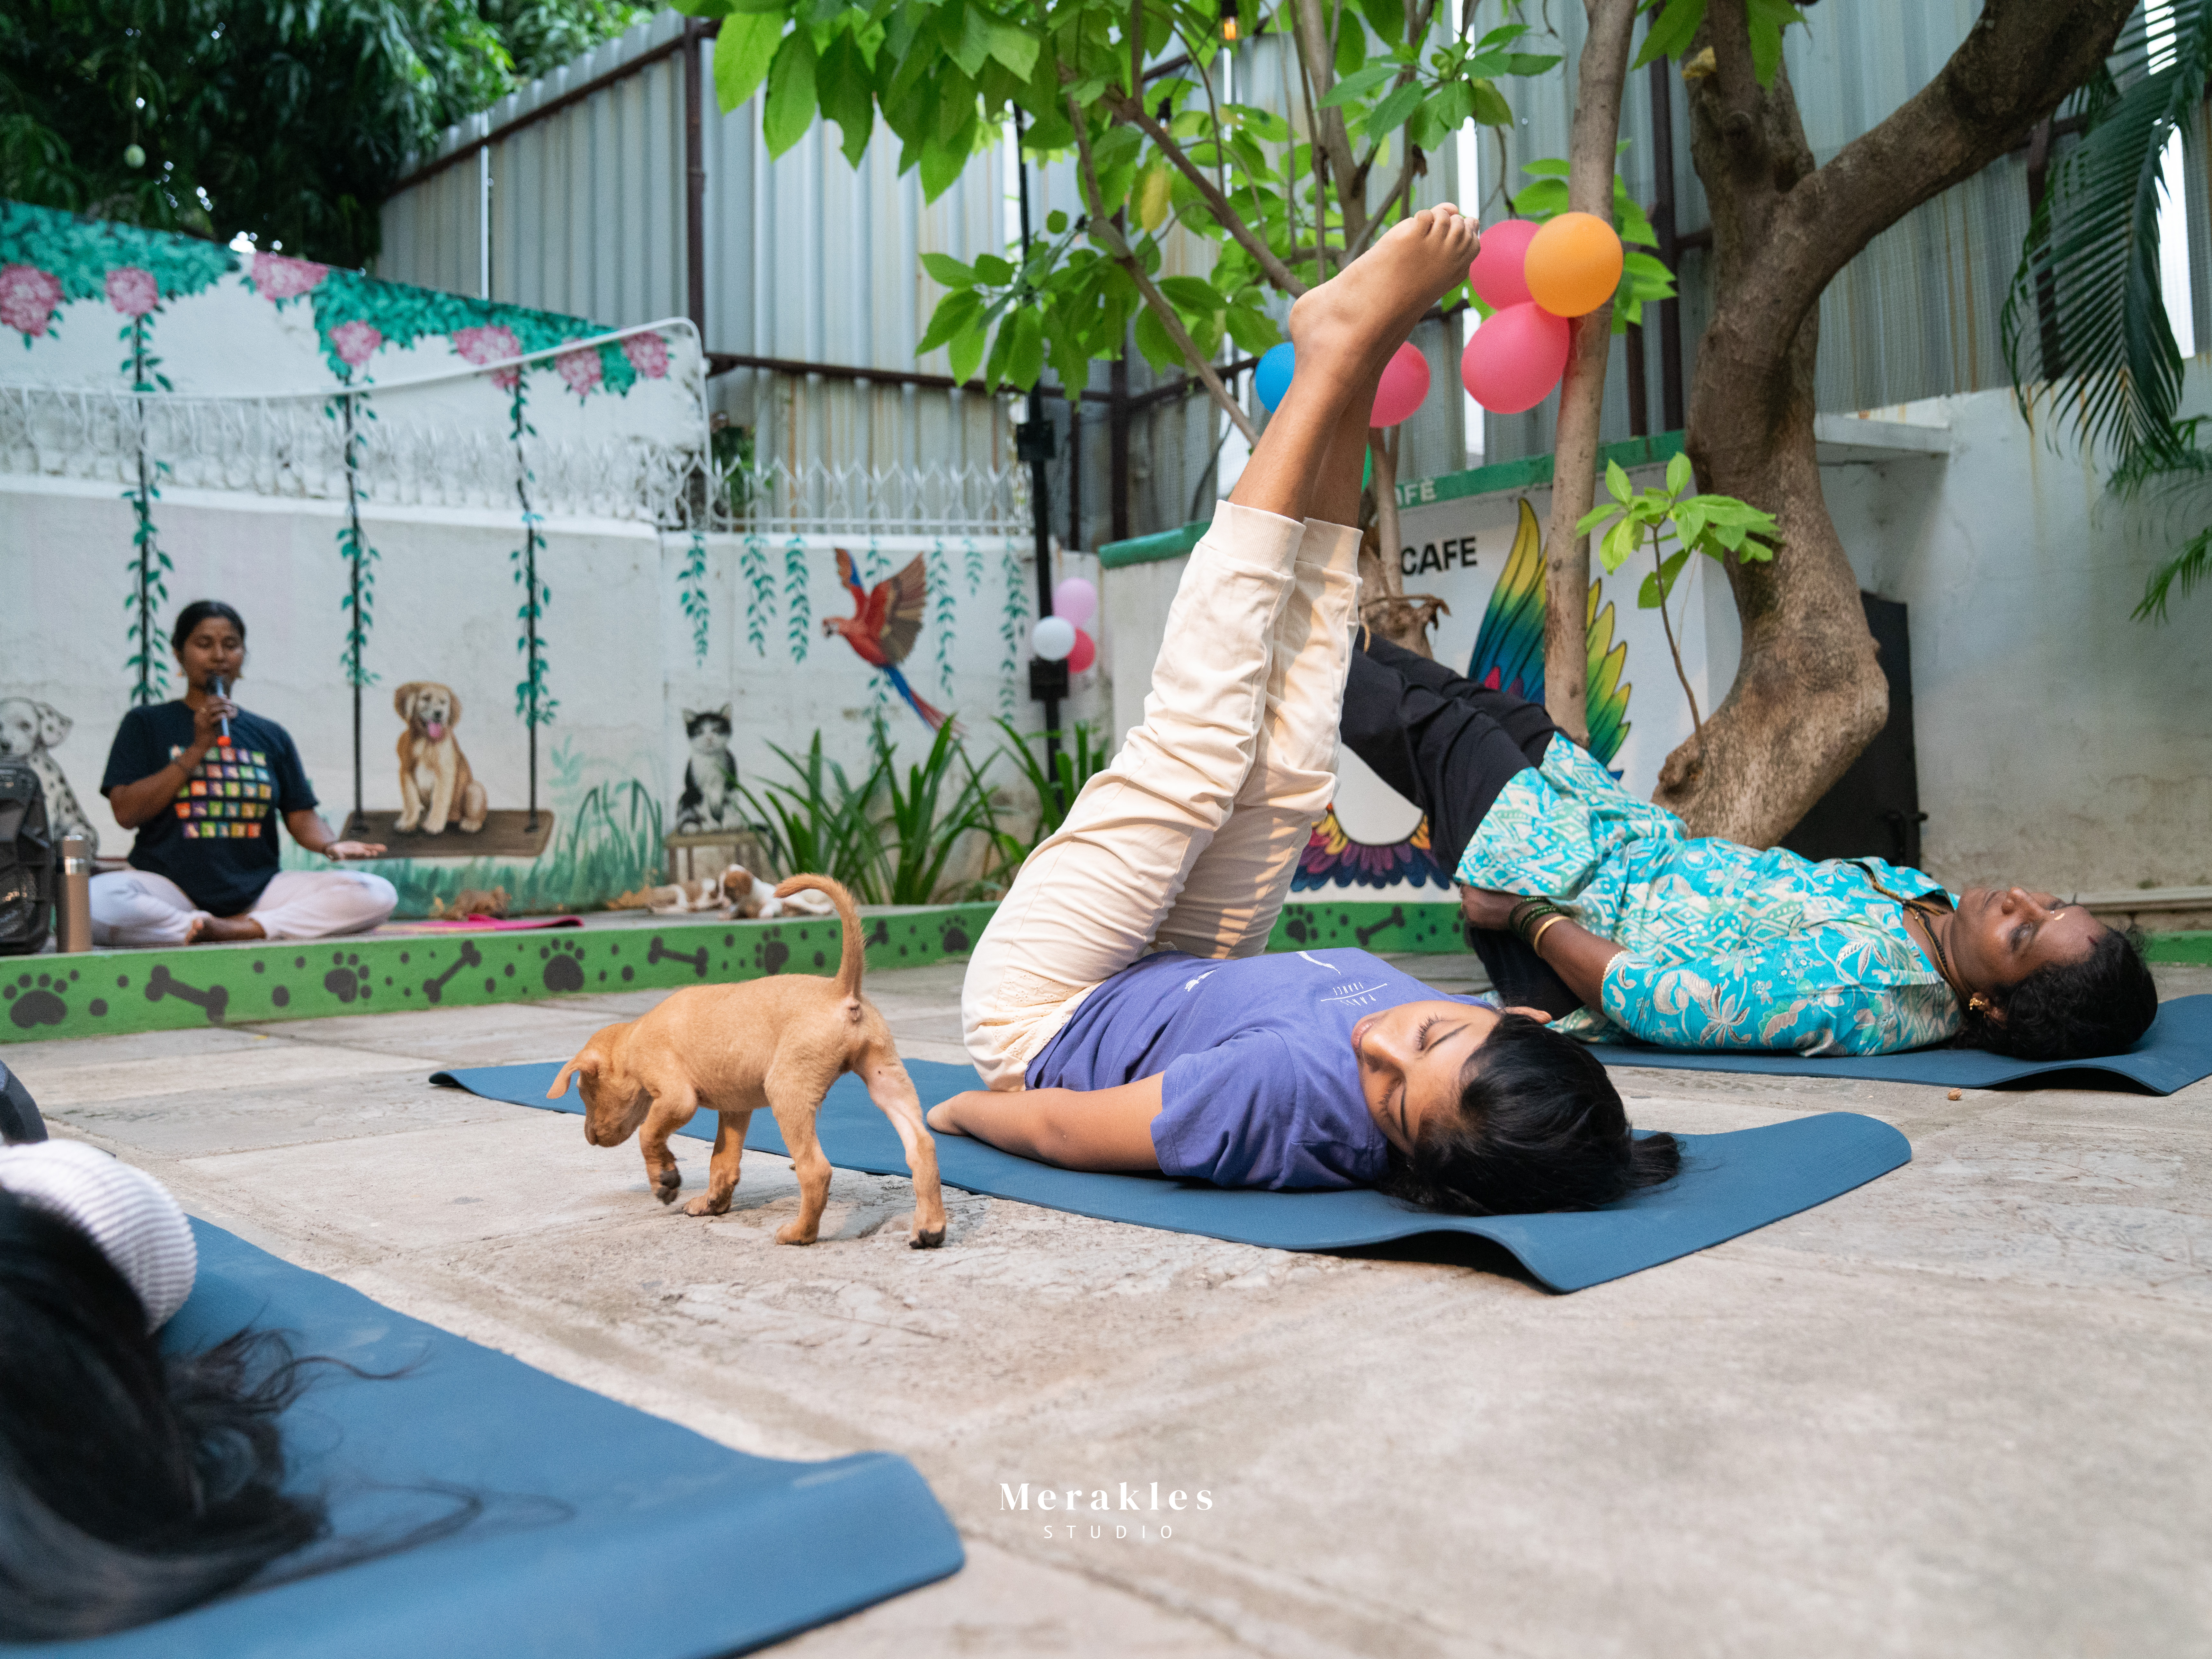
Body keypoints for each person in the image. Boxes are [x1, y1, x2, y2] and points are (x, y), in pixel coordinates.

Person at [928, 208, 1680, 1216]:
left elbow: (1064, 1125)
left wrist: (967, 1113)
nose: (1375, 1045)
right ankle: (1355, 352)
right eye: (1422, 1041)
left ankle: (1329, 351)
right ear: (1524, 1021)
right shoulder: (1490, 1062)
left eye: (1389, 1101)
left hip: (1045, 1009)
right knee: (1290, 769)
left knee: (1196, 754)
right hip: (1184, 972)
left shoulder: (1282, 1104)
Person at [1340, 635, 2161, 1060]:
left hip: (1573, 923)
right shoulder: (1933, 907)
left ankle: (1263, 640)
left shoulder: (1858, 991)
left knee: (1445, 734)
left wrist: (1526, 914)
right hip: (1630, 851)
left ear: (1993, 1007)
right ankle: (1329, 632)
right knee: (1503, 718)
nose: (2018, 900)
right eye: (2046, 902)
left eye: (2021, 934)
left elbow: (1654, 997)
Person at [91, 601, 397, 946]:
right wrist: (197, 749)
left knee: (375, 892)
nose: (219, 655)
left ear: (243, 657)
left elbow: (300, 816)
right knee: (95, 900)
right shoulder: (146, 724)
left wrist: (331, 845)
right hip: (169, 888)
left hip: (258, 890)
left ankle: (242, 929)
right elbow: (126, 812)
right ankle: (204, 926)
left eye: (231, 645)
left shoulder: (270, 735)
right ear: (179, 655)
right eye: (204, 644)